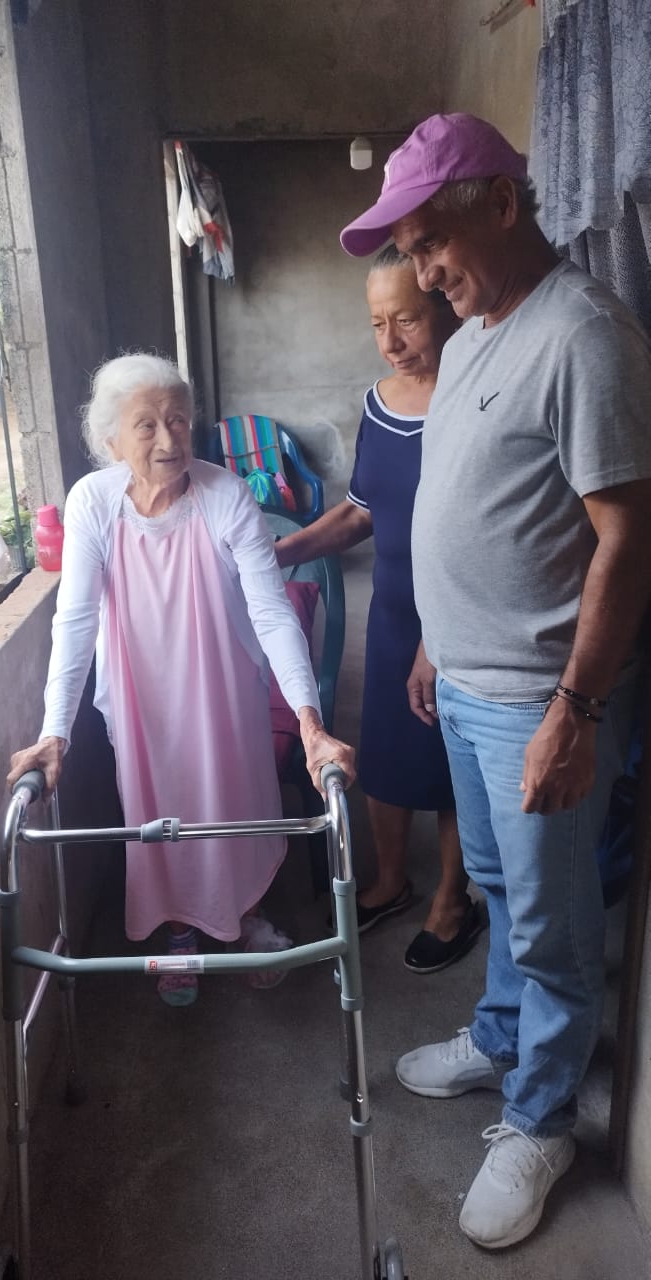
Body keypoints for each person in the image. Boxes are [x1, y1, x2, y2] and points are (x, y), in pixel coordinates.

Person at [340, 113, 651, 1249]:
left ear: (505, 206)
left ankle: (542, 1118)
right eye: (411, 252)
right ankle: (505, 1034)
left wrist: (575, 709)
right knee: (497, 885)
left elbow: (628, 538)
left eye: (432, 242)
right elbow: (469, 498)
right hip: (465, 678)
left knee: (555, 919)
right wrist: (434, 637)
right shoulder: (474, 332)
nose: (424, 274)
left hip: (537, 696)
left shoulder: (585, 335)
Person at [8, 354, 355, 1008]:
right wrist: (55, 734)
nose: (168, 438)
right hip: (140, 696)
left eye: (178, 420)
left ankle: (244, 915)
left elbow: (271, 611)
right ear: (111, 439)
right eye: (146, 425)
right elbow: (76, 621)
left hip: (223, 687)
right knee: (155, 811)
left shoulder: (225, 495)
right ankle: (179, 930)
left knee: (234, 800)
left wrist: (310, 723)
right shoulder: (94, 503)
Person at [276, 245, 483, 973]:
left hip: (461, 615)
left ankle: (453, 900)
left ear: (445, 310)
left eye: (407, 320)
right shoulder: (378, 403)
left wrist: (443, 632)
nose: (391, 341)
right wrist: (274, 553)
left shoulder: (477, 392)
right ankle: (392, 880)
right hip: (392, 617)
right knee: (387, 758)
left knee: (454, 768)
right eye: (376, 324)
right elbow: (362, 511)